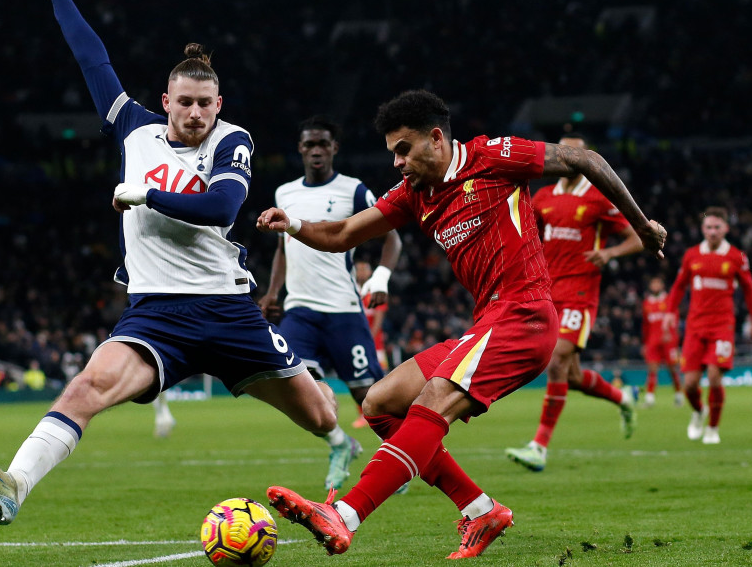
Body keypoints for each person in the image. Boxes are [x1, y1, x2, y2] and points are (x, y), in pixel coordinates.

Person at [0, 0, 347, 525]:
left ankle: (345, 444)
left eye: (204, 104)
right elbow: (92, 58)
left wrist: (144, 194)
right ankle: (13, 485)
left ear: (219, 105)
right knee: (86, 387)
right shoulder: (133, 128)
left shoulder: (230, 140)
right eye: (184, 102)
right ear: (165, 101)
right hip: (156, 313)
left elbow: (222, 208)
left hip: (228, 310)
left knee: (320, 417)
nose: (194, 113)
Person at [256, 90, 665, 559]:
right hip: (487, 322)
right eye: (392, 152)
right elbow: (343, 234)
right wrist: (293, 225)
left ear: (435, 138)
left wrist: (642, 226)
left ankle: (344, 514)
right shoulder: (414, 194)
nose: (397, 162)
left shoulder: (493, 157)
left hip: (524, 314)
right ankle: (479, 508)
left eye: (403, 149)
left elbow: (586, 159)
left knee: (434, 399)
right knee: (380, 403)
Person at [257, 115, 401, 486]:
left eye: (323, 144)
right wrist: (273, 292)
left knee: (370, 398)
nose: (316, 150)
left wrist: (381, 276)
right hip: (300, 311)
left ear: (334, 148)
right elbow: (283, 249)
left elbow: (391, 236)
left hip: (344, 310)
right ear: (301, 150)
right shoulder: (285, 193)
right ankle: (340, 444)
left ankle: (401, 460)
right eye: (309, 144)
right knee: (299, 390)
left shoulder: (353, 191)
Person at [505, 134, 644, 472]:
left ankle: (539, 446)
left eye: (574, 152)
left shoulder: (598, 198)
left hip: (581, 294)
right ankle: (624, 398)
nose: (565, 157)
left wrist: (609, 252)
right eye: (561, 151)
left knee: (556, 362)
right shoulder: (543, 196)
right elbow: (529, 236)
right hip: (547, 291)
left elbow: (636, 238)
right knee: (573, 376)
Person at [665, 207, 752, 444]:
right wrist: (670, 310)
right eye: (708, 227)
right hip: (695, 326)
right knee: (689, 384)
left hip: (722, 327)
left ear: (726, 228)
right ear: (702, 229)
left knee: (715, 377)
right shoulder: (691, 255)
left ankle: (713, 428)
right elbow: (679, 285)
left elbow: (749, 290)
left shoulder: (737, 256)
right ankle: (699, 411)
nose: (713, 231)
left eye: (717, 227)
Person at [353, 260, 391, 428]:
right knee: (359, 378)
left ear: (370, 272)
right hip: (356, 343)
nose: (361, 272)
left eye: (364, 269)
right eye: (358, 269)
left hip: (375, 345)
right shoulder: (351, 291)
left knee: (380, 379)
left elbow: (378, 319)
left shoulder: (375, 291)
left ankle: (385, 411)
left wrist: (368, 339)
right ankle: (362, 415)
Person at [640, 276, 683, 407]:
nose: (655, 286)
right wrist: (645, 343)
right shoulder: (647, 303)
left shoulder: (669, 299)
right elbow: (646, 325)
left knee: (672, 369)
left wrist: (674, 339)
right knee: (652, 369)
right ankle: (649, 398)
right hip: (653, 341)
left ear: (662, 285)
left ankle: (678, 395)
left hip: (668, 341)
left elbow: (675, 319)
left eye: (658, 283)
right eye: (653, 283)